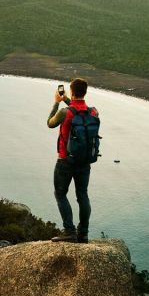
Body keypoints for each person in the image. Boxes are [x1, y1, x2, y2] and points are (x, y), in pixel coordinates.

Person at [47, 78, 99, 243]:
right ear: (85, 92)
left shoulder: (65, 112)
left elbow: (50, 123)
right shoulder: (93, 112)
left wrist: (56, 103)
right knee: (82, 195)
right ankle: (83, 233)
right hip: (85, 161)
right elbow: (78, 111)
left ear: (71, 91)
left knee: (60, 194)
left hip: (65, 160)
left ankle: (69, 231)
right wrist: (67, 100)